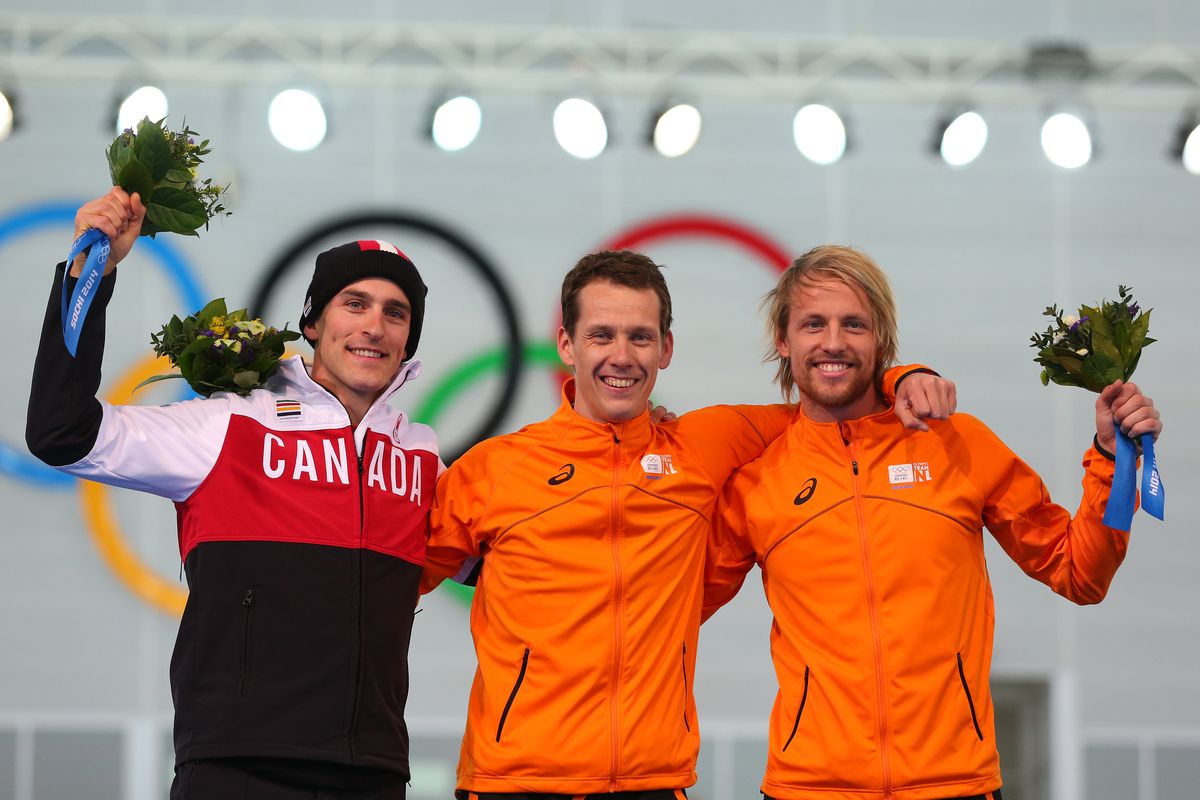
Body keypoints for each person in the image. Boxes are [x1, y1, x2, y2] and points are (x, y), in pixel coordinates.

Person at [421, 249, 956, 800]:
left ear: (666, 348)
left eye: (642, 337)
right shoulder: (494, 468)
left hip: (653, 782)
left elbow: (832, 398)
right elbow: (395, 577)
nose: (622, 356)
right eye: (601, 335)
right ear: (566, 345)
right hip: (511, 783)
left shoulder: (705, 446)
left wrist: (902, 378)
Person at [703, 245, 1163, 800]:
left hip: (954, 783)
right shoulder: (757, 483)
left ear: (882, 342)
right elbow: (668, 611)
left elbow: (1080, 573)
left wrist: (1112, 459)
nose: (832, 342)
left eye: (854, 324)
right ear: (784, 340)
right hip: (809, 787)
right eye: (812, 324)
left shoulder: (957, 443)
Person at [26, 187, 440, 799]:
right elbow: (63, 430)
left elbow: (521, 552)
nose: (374, 326)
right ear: (313, 323)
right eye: (355, 303)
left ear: (408, 342)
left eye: (395, 312)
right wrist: (93, 271)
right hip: (240, 766)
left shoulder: (423, 457)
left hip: (372, 771)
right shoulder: (228, 425)